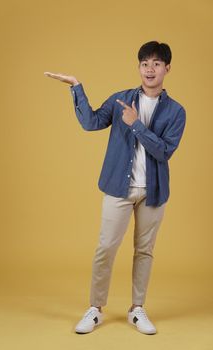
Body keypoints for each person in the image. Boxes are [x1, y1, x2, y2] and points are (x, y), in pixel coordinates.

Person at [44, 41, 186, 335]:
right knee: (106, 248)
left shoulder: (176, 111)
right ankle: (95, 308)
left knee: (144, 251)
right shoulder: (120, 99)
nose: (150, 69)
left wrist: (136, 125)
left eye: (157, 63)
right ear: (139, 67)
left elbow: (163, 152)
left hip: (153, 192)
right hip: (117, 189)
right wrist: (76, 88)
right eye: (145, 63)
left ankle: (137, 309)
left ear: (167, 69)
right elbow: (91, 122)